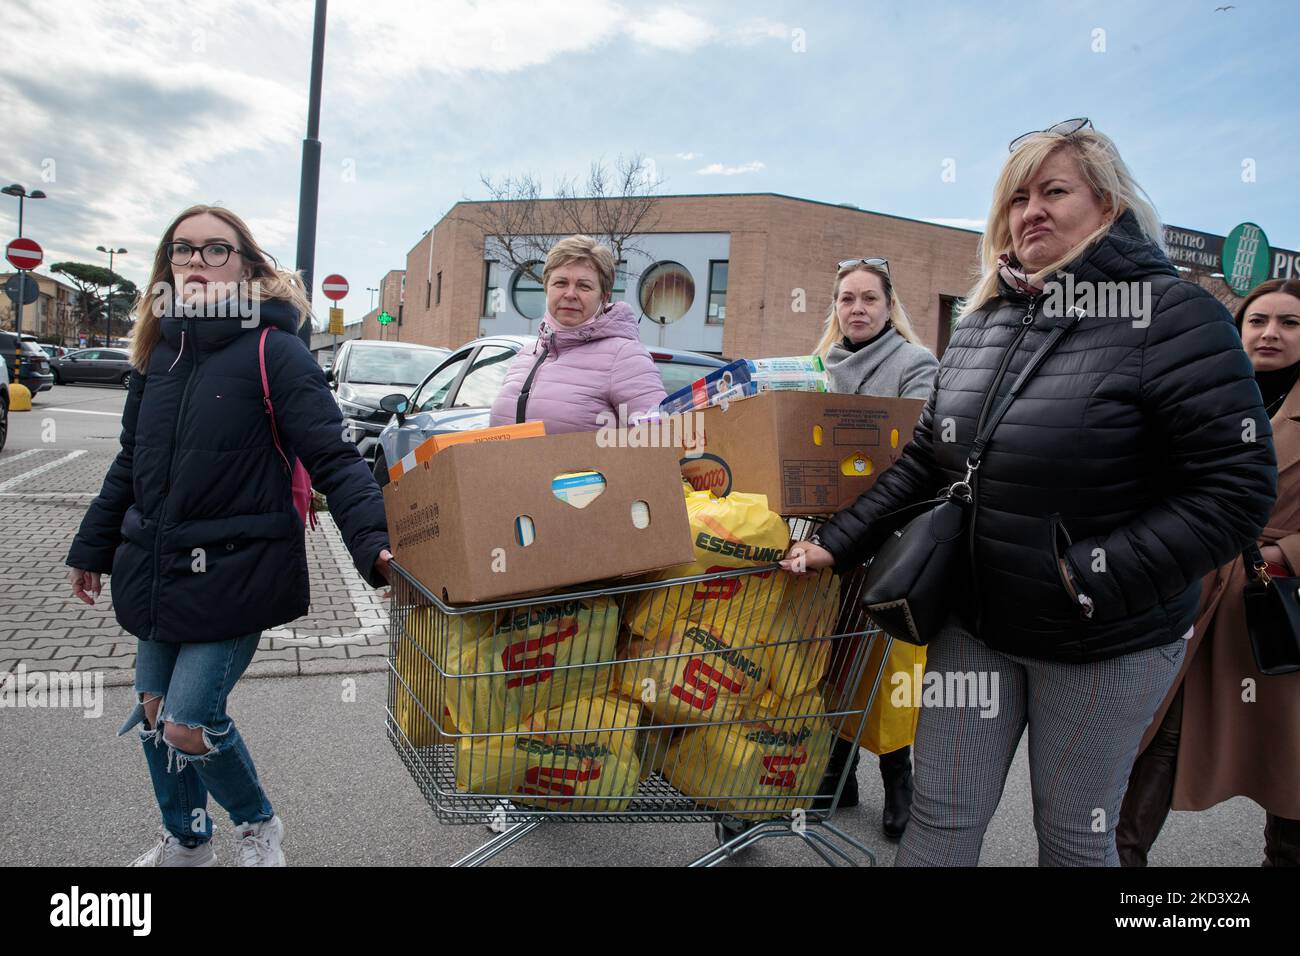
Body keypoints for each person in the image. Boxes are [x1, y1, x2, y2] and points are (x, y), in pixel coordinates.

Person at [780, 119, 1277, 865]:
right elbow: (926, 459)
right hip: (975, 622)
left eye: (1053, 191)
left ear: (1108, 206)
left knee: (1075, 835)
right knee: (940, 823)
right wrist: (836, 543)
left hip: (1105, 638)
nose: (1029, 212)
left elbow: (1235, 490)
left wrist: (1088, 575)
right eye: (1016, 199)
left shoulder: (1174, 315)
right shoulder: (985, 321)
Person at [65, 205, 392, 867]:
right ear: (167, 267)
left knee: (189, 720)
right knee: (155, 715)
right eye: (183, 250)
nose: (196, 262)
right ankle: (187, 839)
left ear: (248, 265)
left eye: (215, 249)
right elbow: (131, 460)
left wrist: (374, 547)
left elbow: (333, 456)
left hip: (239, 570)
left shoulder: (277, 350)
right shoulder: (161, 353)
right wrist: (90, 548)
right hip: (154, 564)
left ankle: (257, 824)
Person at [1119, 278, 1300, 866]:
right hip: (1192, 594)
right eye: (1258, 320)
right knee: (1156, 741)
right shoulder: (1202, 393)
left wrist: (1279, 556)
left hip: (1276, 603)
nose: (1270, 332)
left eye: (1290, 323)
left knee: (1289, 762)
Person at [812, 257, 938, 838]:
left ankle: (898, 778)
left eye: (868, 299)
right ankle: (840, 773)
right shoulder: (818, 368)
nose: (856, 309)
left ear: (891, 307)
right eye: (846, 299)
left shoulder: (916, 365)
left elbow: (918, 455)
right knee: (832, 653)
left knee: (888, 666)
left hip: (891, 535)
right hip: (826, 537)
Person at [490, 235, 666, 433]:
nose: (570, 294)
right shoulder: (528, 354)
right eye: (561, 283)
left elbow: (656, 442)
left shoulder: (625, 357)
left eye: (584, 286)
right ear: (546, 288)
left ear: (604, 296)